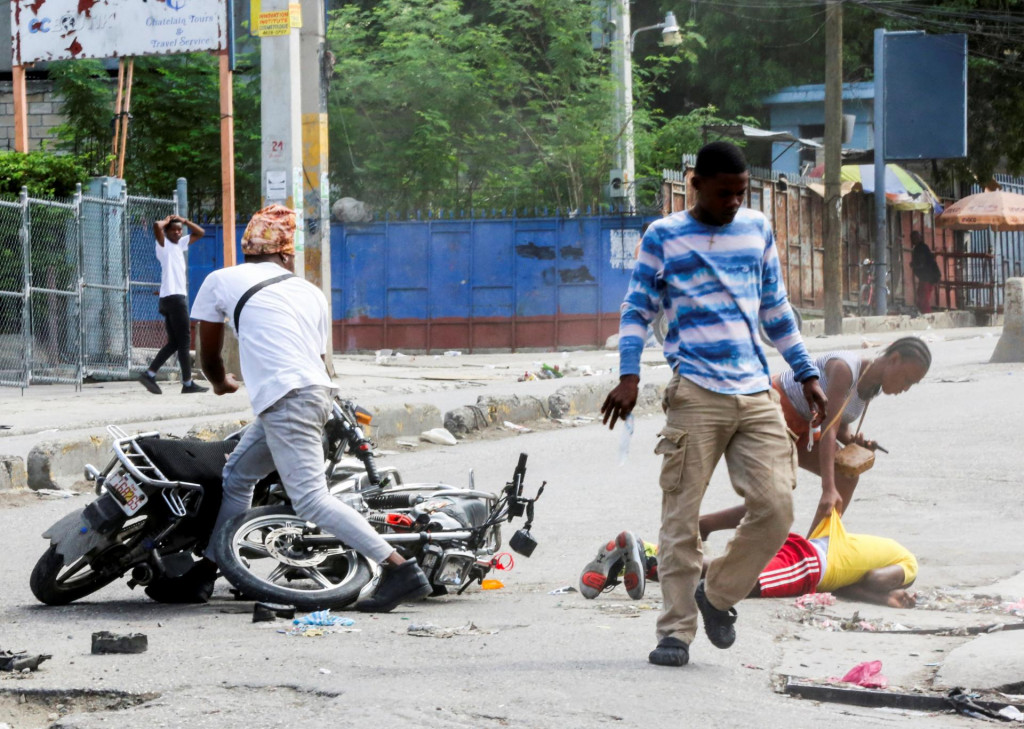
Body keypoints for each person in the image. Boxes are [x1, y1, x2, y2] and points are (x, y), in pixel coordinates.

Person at [601, 141, 827, 668]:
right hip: (696, 392)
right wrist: (629, 375)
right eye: (722, 192)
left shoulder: (756, 229)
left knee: (776, 506)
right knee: (680, 519)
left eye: (740, 193)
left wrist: (807, 372)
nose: (732, 202)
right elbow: (637, 309)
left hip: (755, 391)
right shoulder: (663, 236)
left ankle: (717, 594)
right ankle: (676, 631)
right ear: (695, 183)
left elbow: (776, 309)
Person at [146, 205, 431, 611]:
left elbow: (207, 354)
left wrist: (221, 382)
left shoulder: (221, 279)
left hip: (287, 399)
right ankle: (207, 574)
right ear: (285, 254)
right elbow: (319, 359)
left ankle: (400, 569)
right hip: (312, 393)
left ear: (248, 250)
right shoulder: (309, 292)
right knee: (238, 475)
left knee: (311, 499)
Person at [581, 507, 918, 609]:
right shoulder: (908, 564)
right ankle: (651, 561)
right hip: (811, 565)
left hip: (810, 554)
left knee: (732, 572)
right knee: (740, 582)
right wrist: (891, 596)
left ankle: (642, 555)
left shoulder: (888, 546)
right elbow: (871, 579)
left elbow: (849, 585)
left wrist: (883, 596)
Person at [772, 337, 932, 534]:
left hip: (807, 427)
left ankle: (814, 549)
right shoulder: (845, 369)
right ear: (894, 359)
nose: (905, 388)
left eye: (911, 384)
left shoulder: (873, 386)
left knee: (846, 476)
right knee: (770, 505)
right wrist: (828, 489)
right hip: (774, 413)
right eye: (907, 379)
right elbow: (829, 429)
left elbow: (838, 425)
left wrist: (852, 442)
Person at [138, 215, 210, 395]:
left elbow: (200, 232)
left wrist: (184, 222)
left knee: (174, 344)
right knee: (184, 341)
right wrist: (167, 220)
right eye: (174, 230)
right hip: (175, 298)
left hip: (168, 299)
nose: (178, 233)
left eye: (180, 230)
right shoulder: (163, 245)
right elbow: (156, 225)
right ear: (166, 232)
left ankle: (149, 374)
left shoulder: (180, 244)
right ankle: (187, 384)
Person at [910, 231, 941, 315]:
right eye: (913, 238)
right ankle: (924, 315)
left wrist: (914, 265)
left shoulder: (921, 248)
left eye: (916, 238)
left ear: (920, 238)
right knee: (921, 297)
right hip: (926, 277)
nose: (914, 240)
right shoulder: (921, 248)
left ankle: (927, 316)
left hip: (927, 277)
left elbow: (922, 263)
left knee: (923, 299)